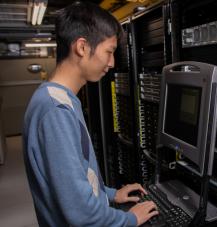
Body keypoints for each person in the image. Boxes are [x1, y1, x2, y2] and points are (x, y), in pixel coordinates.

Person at [22, 1, 158, 226]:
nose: (112, 63)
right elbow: (81, 214)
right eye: (109, 51)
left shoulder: (60, 99)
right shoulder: (55, 112)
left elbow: (72, 182)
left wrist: (111, 194)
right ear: (82, 47)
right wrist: (130, 219)